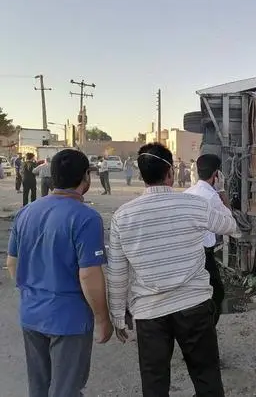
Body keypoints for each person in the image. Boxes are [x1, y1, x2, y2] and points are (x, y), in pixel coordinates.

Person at [106, 143, 238, 396]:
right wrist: (220, 192)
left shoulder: (123, 216)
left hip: (149, 313)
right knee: (207, 378)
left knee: (154, 384)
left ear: (142, 175)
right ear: (170, 173)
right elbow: (230, 225)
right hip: (194, 307)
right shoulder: (193, 205)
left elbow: (117, 272)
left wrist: (118, 316)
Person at [6, 149, 113, 396]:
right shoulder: (86, 218)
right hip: (69, 320)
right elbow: (89, 275)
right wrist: (102, 319)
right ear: (86, 177)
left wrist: (32, 293)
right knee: (66, 390)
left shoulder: (27, 212)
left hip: (32, 314)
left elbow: (12, 263)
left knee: (39, 387)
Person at [185, 154, 230, 324]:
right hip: (204, 253)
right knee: (217, 293)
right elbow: (228, 222)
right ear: (216, 174)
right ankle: (207, 329)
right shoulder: (212, 196)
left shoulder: (188, 192)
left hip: (188, 251)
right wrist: (222, 191)